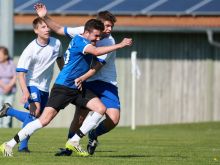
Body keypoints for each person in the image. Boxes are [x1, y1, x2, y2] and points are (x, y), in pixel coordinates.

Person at [0, 18, 132, 157]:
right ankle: (8, 144)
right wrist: (120, 45)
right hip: (63, 87)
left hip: (77, 86)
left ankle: (74, 141)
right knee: (43, 120)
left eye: (99, 36)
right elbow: (97, 51)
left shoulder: (84, 40)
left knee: (100, 109)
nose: (97, 39)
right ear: (86, 32)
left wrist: (82, 77)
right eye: (95, 36)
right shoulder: (80, 41)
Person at [35, 6, 123, 156]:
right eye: (107, 25)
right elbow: (61, 30)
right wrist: (45, 16)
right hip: (88, 82)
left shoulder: (109, 41)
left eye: (111, 26)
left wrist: (82, 77)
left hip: (106, 83)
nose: (109, 29)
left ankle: (93, 134)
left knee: (113, 119)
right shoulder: (85, 31)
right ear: (98, 23)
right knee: (80, 116)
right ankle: (69, 147)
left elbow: (97, 66)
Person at [0, 17, 63, 152]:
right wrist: (26, 91)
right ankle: (22, 147)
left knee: (39, 119)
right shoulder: (30, 49)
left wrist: (65, 74)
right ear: (36, 30)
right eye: (43, 27)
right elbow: (20, 74)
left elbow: (60, 60)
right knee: (35, 113)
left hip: (45, 87)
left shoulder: (57, 43)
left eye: (48, 27)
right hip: (31, 83)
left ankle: (8, 111)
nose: (47, 29)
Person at [0, 46, 16, 128]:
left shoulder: (12, 64)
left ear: (6, 55)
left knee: (8, 109)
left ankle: (6, 126)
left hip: (10, 91)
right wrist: (4, 86)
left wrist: (9, 86)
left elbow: (15, 76)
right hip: (0, 90)